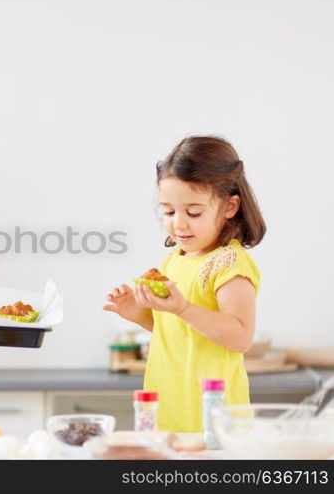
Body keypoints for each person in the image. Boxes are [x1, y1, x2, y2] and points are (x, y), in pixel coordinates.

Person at [103, 136, 266, 432]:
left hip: (212, 418)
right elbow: (179, 331)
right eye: (168, 211)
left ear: (229, 206)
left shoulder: (228, 263)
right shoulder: (176, 258)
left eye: (193, 212)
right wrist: (140, 314)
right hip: (168, 410)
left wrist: (182, 307)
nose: (179, 223)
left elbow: (240, 337)